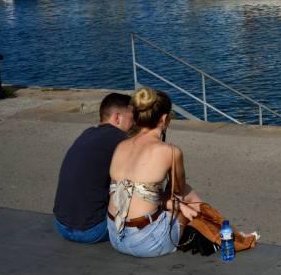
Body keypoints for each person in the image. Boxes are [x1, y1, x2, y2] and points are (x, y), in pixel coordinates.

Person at [107, 86, 202, 257]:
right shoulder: (170, 151)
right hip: (147, 242)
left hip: (115, 235)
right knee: (188, 194)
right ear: (164, 119)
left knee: (152, 194)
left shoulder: (121, 146)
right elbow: (178, 191)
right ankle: (222, 234)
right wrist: (179, 206)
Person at [53, 93, 134, 243]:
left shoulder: (87, 133)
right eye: (132, 117)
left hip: (61, 225)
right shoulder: (121, 141)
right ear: (117, 117)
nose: (135, 122)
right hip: (93, 230)